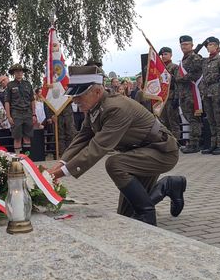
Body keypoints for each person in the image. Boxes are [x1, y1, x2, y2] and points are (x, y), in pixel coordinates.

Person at [47, 65, 186, 226]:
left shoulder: (116, 108)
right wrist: (58, 165)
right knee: (125, 216)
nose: (75, 100)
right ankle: (168, 186)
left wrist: (57, 175)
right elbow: (82, 138)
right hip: (139, 154)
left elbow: (97, 147)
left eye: (79, 96)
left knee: (114, 164)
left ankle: (147, 213)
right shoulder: (96, 107)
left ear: (97, 92)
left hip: (160, 152)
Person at [198, 37, 220, 155]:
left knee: (219, 119)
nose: (209, 47)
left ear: (217, 46)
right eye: (207, 45)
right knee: (211, 120)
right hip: (207, 92)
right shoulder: (205, 61)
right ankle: (213, 144)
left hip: (217, 92)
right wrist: (199, 47)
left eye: (211, 44)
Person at [176, 35, 203, 154]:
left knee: (193, 119)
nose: (184, 47)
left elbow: (197, 73)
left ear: (192, 45)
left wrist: (181, 78)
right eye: (182, 45)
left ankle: (194, 144)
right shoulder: (184, 59)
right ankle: (192, 143)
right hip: (184, 94)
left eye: (186, 44)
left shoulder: (195, 57)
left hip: (192, 94)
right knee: (189, 118)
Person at [5, 63, 36, 154]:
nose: (19, 73)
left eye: (21, 71)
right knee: (17, 137)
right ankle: (18, 159)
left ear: (23, 73)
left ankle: (26, 158)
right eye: (17, 72)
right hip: (16, 113)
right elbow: (7, 101)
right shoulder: (10, 85)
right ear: (14, 73)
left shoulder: (28, 84)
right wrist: (9, 116)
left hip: (27, 113)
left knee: (27, 137)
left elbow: (32, 100)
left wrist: (34, 114)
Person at [158, 47, 181, 140]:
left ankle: (175, 141)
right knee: (163, 121)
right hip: (161, 98)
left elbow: (177, 83)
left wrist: (176, 98)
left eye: (166, 54)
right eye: (162, 54)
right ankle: (166, 140)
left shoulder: (174, 67)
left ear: (171, 55)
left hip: (171, 97)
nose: (164, 56)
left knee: (173, 121)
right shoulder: (159, 67)